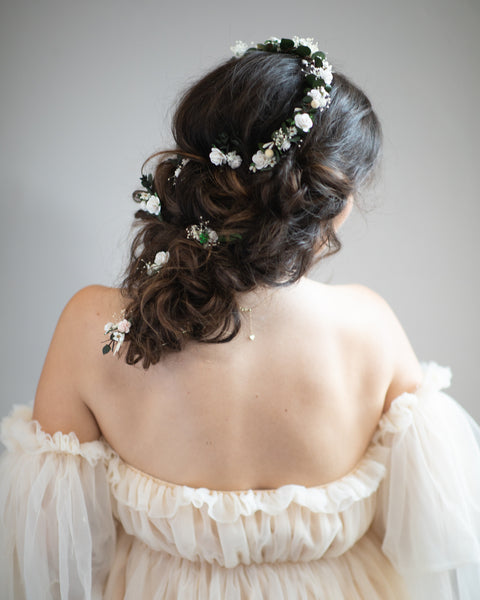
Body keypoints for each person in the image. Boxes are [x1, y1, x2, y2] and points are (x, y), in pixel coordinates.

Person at [1, 36, 479, 600]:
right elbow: (429, 535)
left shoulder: (92, 327)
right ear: (336, 202)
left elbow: (52, 556)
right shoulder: (369, 329)